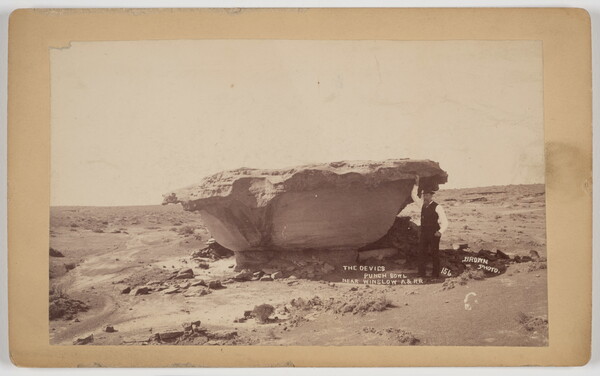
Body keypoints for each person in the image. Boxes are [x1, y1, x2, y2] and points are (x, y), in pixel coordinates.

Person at [412, 175, 448, 278]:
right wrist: (416, 184)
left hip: (434, 233)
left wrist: (440, 231)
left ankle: (435, 274)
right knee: (421, 253)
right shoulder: (422, 204)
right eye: (424, 195)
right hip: (424, 233)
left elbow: (445, 222)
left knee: (434, 253)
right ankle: (421, 273)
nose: (425, 197)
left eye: (428, 195)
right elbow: (414, 195)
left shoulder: (438, 207)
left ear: (431, 196)